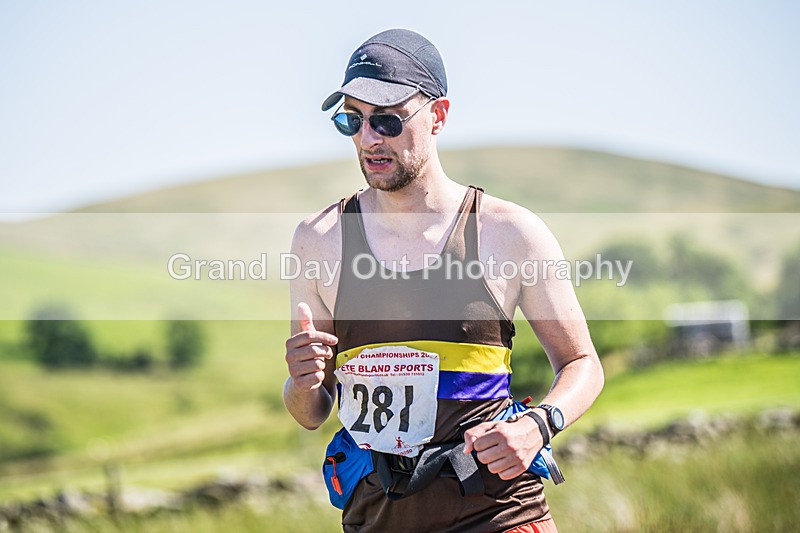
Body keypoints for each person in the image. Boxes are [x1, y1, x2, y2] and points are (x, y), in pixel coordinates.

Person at [283, 28, 604, 533]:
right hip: (376, 518)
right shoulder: (318, 239)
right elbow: (311, 410)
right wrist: (300, 382)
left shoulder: (508, 232)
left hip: (497, 513)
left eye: (387, 119)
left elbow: (582, 363)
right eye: (353, 119)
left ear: (438, 115)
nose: (369, 139)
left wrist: (539, 426)